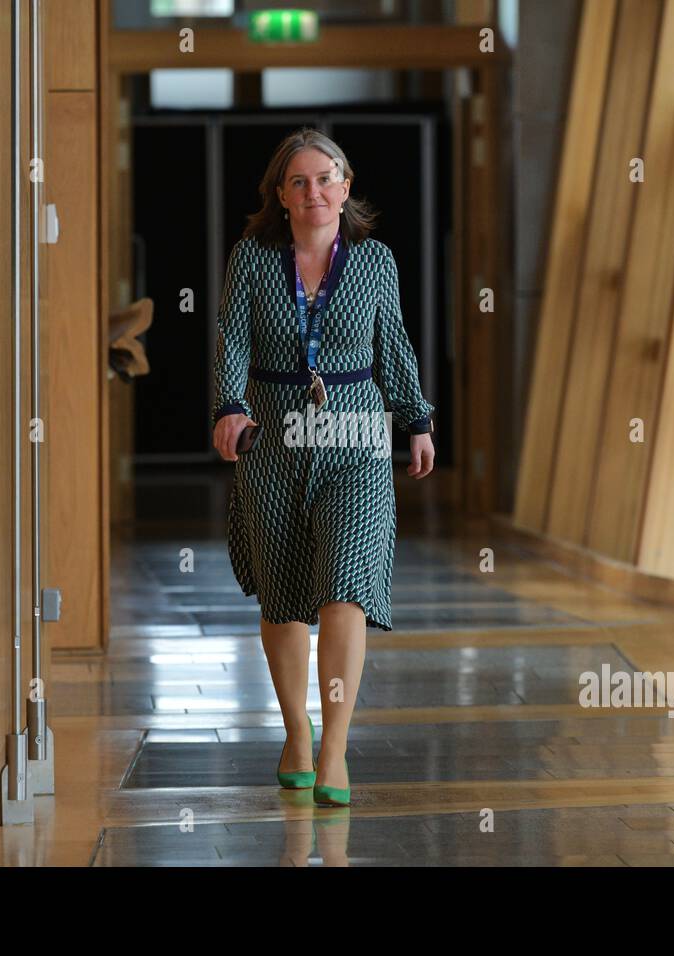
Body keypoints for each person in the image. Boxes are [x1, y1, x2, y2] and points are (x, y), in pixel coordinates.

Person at [210, 128, 436, 807]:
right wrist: (230, 406)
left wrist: (415, 418)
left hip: (358, 438)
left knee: (347, 585)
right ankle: (296, 734)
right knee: (282, 596)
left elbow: (392, 340)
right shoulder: (252, 258)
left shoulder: (375, 261)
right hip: (273, 436)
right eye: (299, 181)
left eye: (326, 178)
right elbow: (230, 336)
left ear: (346, 186)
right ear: (281, 196)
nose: (314, 191)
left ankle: (334, 746)